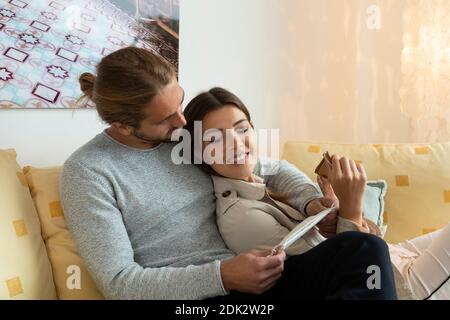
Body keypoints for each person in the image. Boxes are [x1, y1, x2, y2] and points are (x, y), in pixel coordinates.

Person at [60, 46, 397, 300]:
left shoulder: (183, 141)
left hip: (254, 283)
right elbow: (119, 282)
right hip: (196, 299)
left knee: (362, 248)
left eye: (179, 103)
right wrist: (222, 276)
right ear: (122, 125)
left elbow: (273, 168)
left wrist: (310, 202)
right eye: (165, 118)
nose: (181, 122)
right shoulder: (88, 172)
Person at [183, 87, 450, 300]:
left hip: (393, 256)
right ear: (199, 153)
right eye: (215, 139)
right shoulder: (242, 219)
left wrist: (315, 203)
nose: (236, 143)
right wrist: (351, 206)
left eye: (242, 129)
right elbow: (342, 265)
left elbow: (279, 168)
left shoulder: (257, 177)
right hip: (392, 283)